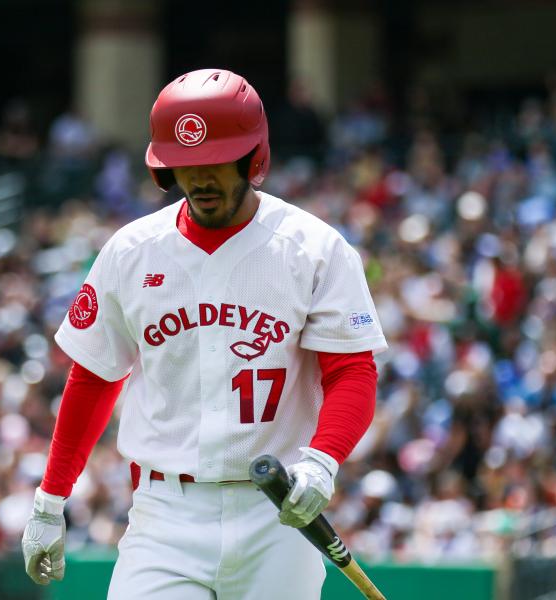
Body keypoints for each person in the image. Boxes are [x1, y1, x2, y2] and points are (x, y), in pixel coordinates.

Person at [22, 68, 387, 599]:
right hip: (165, 515)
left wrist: (322, 462)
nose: (200, 179)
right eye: (185, 165)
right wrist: (49, 502)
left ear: (253, 159)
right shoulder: (131, 250)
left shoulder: (315, 248)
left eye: (216, 161)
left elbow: (352, 371)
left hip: (278, 516)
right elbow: (94, 379)